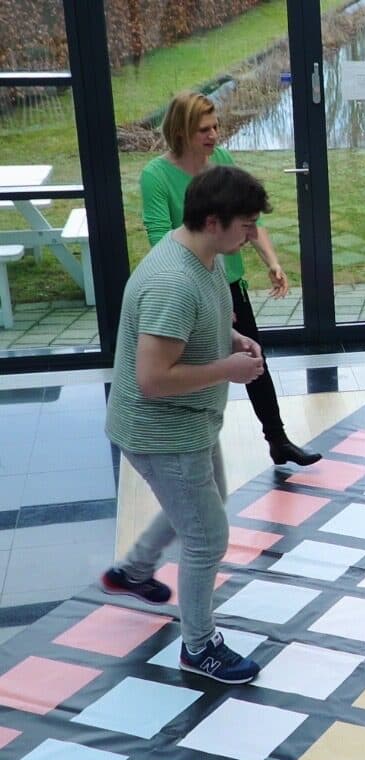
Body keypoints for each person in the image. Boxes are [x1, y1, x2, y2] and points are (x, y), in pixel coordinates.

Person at [102, 165, 272, 684]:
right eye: (246, 225)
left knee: (203, 507)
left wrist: (232, 339)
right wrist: (228, 369)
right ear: (213, 220)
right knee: (207, 537)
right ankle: (198, 648)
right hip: (162, 432)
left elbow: (199, 324)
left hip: (187, 424)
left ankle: (133, 570)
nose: (252, 235)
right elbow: (152, 379)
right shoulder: (173, 282)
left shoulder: (204, 255)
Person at [140, 91, 320, 466]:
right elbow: (161, 241)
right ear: (181, 131)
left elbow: (249, 219)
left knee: (254, 360)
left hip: (231, 285)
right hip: (190, 291)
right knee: (196, 371)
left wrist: (272, 262)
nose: (214, 135)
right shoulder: (155, 176)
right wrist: (205, 294)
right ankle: (190, 448)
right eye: (204, 129)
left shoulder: (221, 160)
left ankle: (278, 440)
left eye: (215, 127)